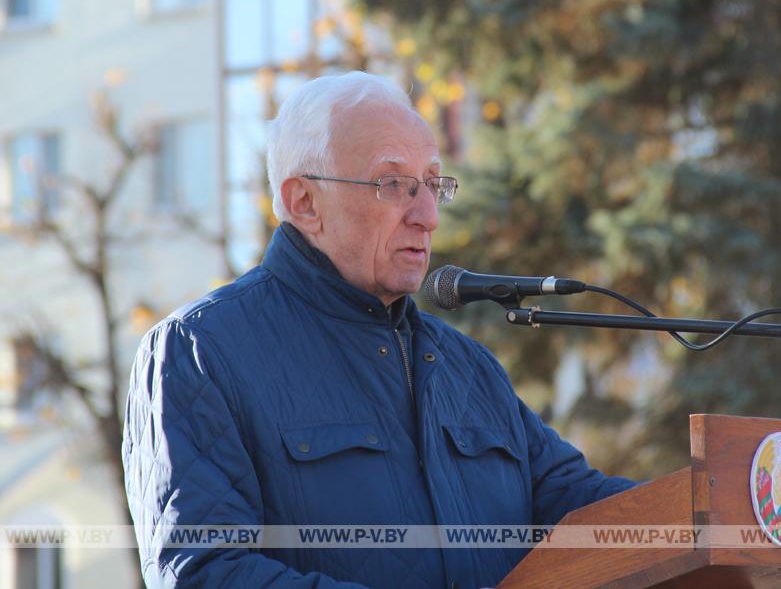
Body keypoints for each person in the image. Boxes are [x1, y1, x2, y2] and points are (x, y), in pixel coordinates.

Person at [122, 71, 636, 588]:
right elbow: (205, 573)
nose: (428, 215)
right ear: (304, 202)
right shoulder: (198, 351)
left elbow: (582, 512)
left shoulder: (469, 369)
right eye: (393, 185)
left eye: (434, 185)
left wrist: (710, 505)